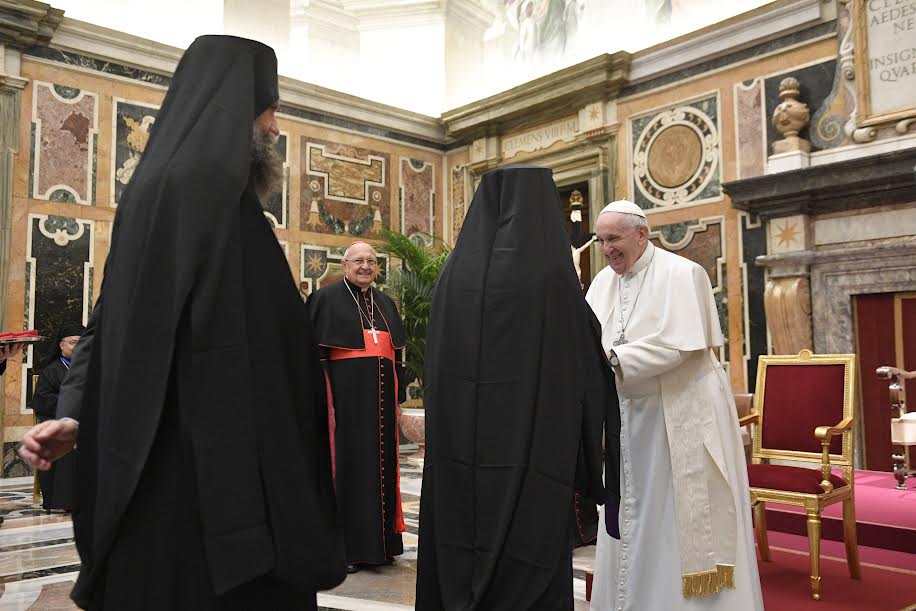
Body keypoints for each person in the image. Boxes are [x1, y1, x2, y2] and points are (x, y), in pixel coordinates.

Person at [18, 35, 345, 610]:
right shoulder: (194, 195)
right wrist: (76, 412)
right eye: (269, 109)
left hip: (213, 481)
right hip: (211, 493)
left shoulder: (169, 194)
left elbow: (110, 323)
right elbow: (116, 323)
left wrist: (78, 412)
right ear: (236, 107)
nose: (274, 127)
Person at [416, 165, 618, 610]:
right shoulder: (550, 276)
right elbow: (583, 361)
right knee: (526, 544)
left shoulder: (453, 275)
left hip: (459, 446)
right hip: (531, 445)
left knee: (459, 536)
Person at [586, 200, 763, 611]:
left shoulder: (683, 274)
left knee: (676, 518)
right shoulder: (601, 283)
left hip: (681, 413)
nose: (607, 249)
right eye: (600, 241)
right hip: (628, 420)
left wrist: (612, 359)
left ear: (641, 234)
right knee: (632, 517)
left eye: (614, 239)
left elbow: (678, 346)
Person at [306, 241, 407, 573]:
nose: (365, 266)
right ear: (345, 265)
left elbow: (396, 357)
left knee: (383, 469)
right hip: (345, 407)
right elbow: (313, 357)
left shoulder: (385, 303)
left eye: (371, 261)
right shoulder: (325, 299)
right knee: (349, 470)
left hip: (382, 404)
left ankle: (382, 546)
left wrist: (399, 401)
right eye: (359, 261)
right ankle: (346, 549)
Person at [31, 323, 84, 511]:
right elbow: (42, 401)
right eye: (73, 342)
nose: (78, 347)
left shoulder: (92, 368)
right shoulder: (51, 371)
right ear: (61, 345)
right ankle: (66, 500)